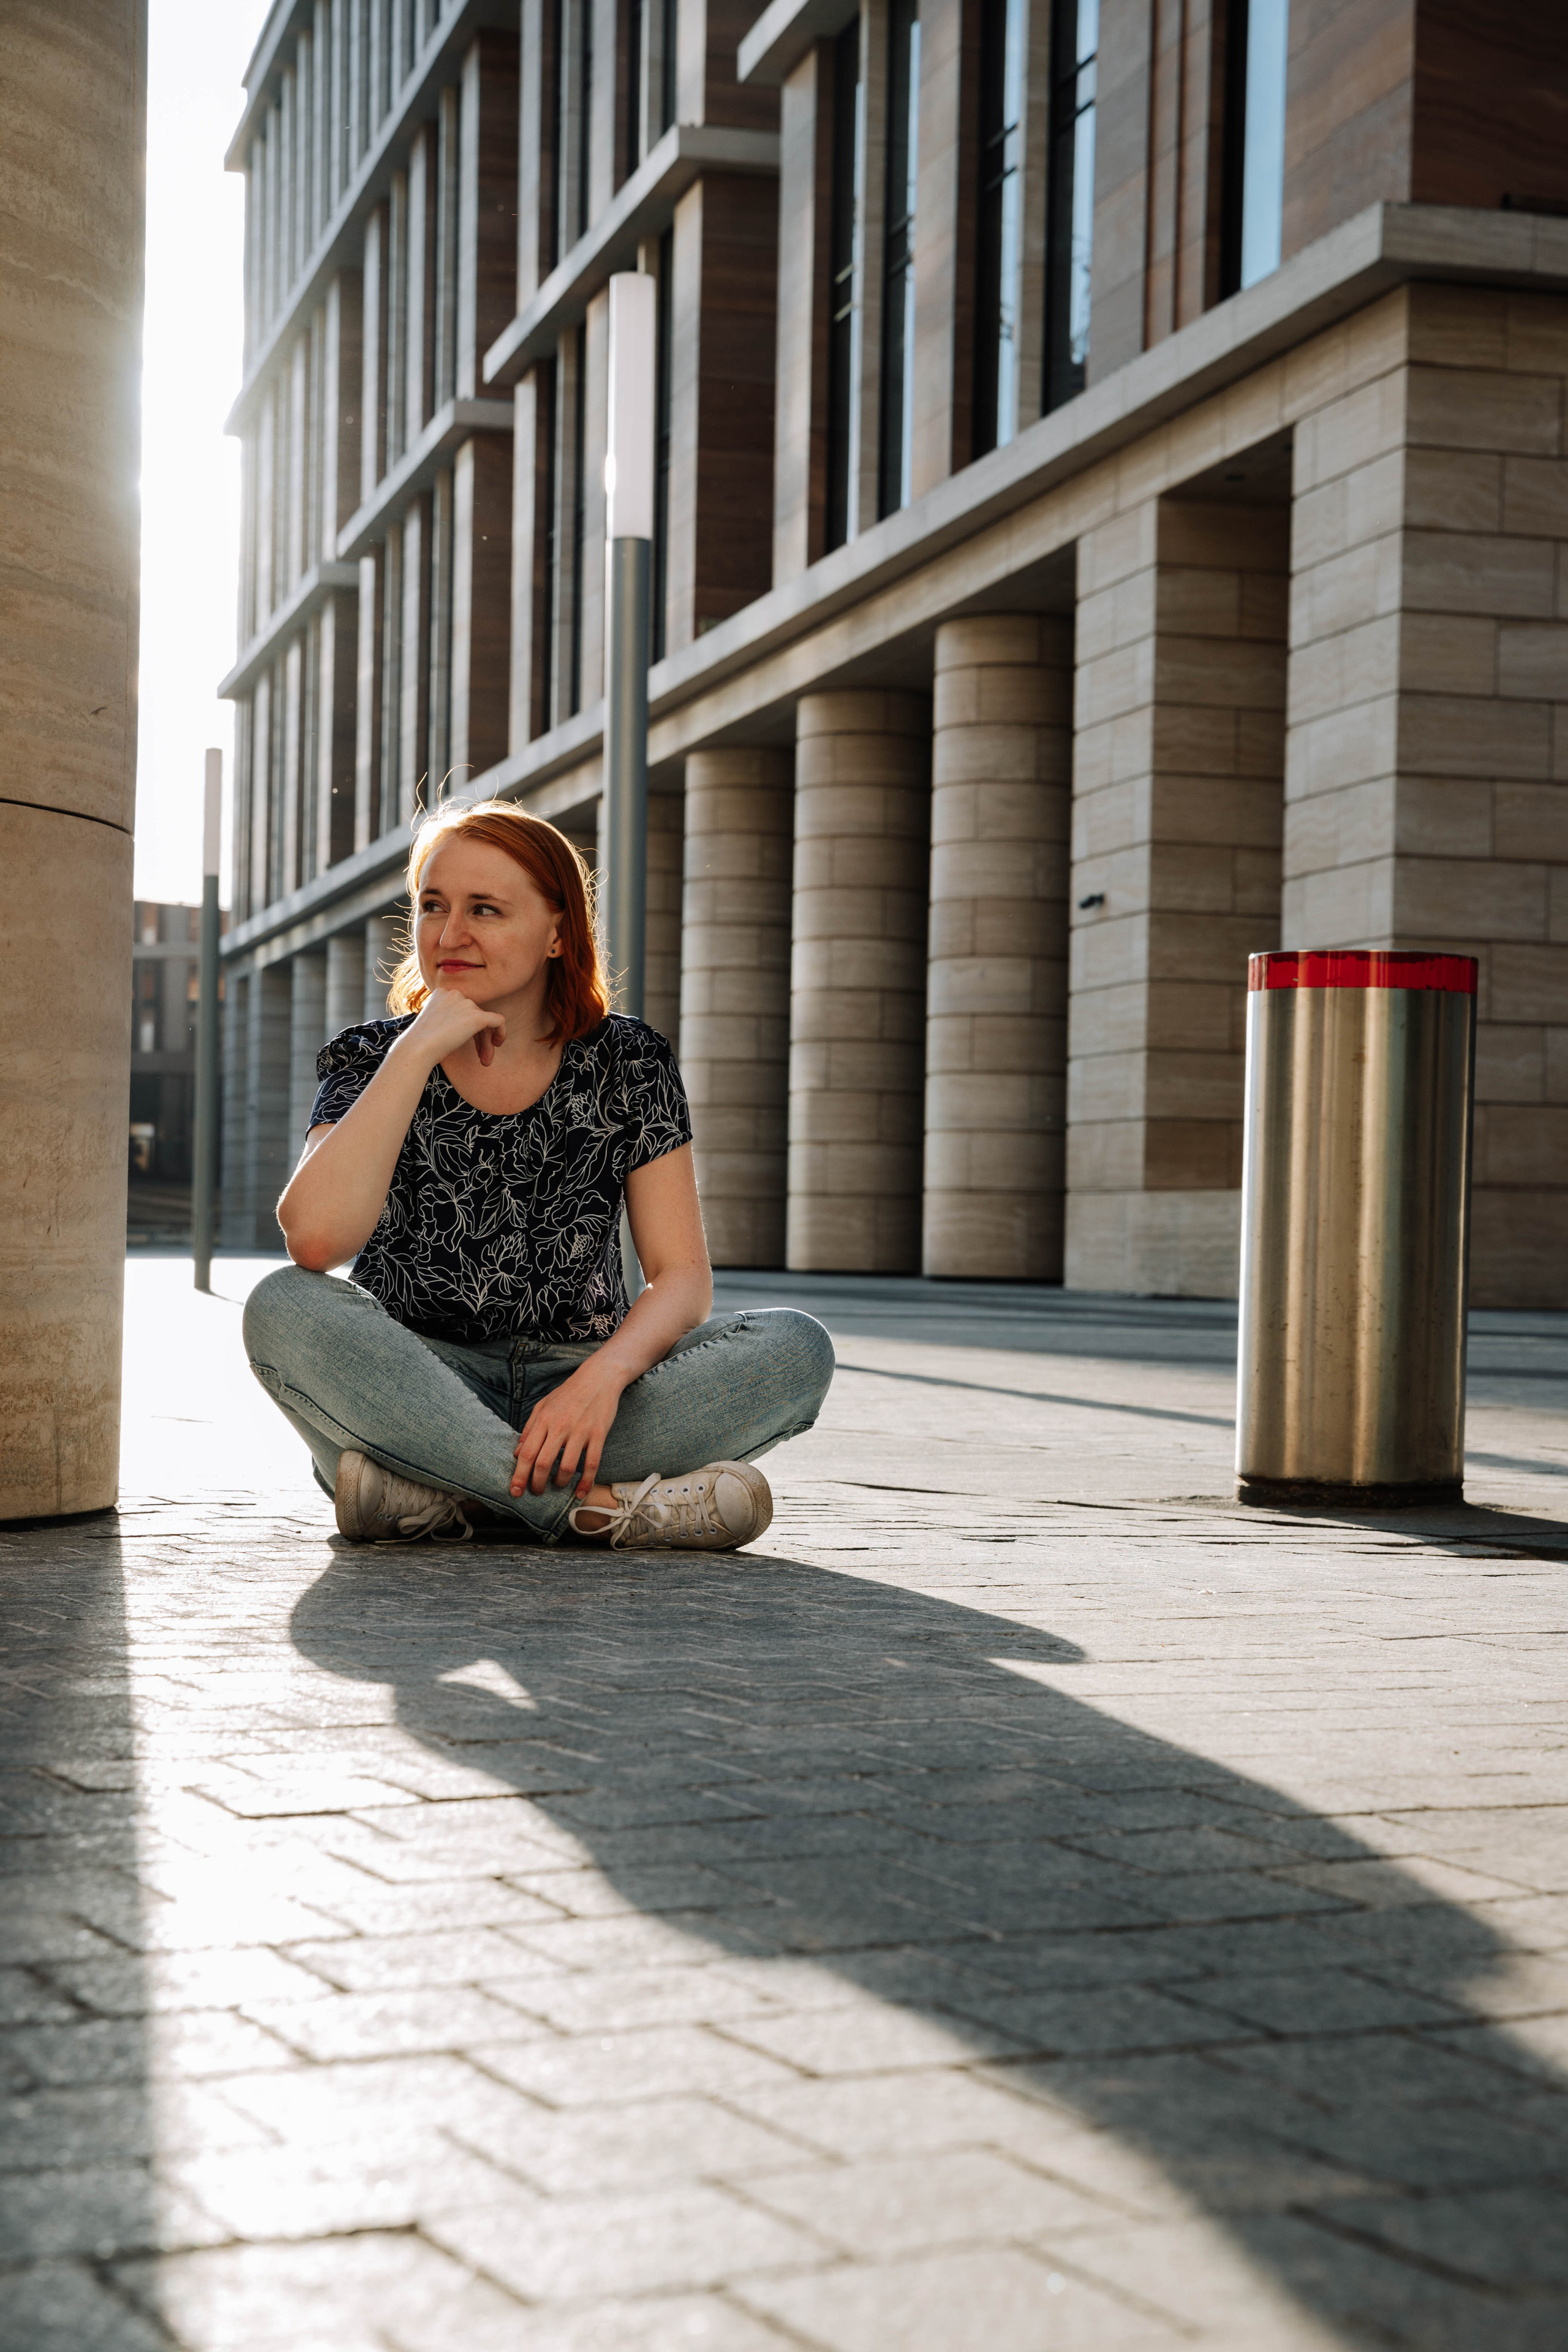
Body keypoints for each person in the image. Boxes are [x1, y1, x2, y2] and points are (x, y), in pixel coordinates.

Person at [242, 801, 834, 1550]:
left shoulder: (628, 1060)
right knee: (284, 1306)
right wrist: (413, 1054)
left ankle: (442, 1495)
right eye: (432, 906)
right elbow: (317, 1242)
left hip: (581, 1385)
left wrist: (603, 1378)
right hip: (417, 1385)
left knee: (795, 1347)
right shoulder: (370, 1056)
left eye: (484, 909)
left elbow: (681, 1277)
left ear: (558, 932)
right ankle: (591, 1511)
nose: (449, 935)